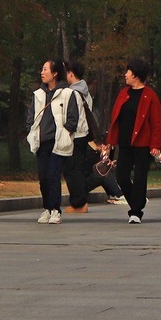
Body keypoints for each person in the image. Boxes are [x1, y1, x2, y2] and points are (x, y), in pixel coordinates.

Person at [104, 58, 161, 224]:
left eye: (128, 72)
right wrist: (110, 142)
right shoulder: (124, 93)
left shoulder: (150, 96)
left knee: (139, 178)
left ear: (136, 75)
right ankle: (138, 201)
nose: (125, 75)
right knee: (121, 176)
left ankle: (135, 212)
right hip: (125, 143)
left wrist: (155, 145)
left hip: (143, 144)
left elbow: (156, 123)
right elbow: (115, 119)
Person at [26, 58, 80, 224]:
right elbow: (31, 117)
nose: (42, 73)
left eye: (45, 69)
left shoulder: (68, 94)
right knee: (43, 178)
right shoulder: (39, 94)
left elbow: (73, 118)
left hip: (57, 142)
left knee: (53, 175)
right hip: (41, 142)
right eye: (42, 69)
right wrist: (31, 131)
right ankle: (47, 208)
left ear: (55, 73)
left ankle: (56, 209)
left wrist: (65, 133)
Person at [63, 60, 94, 214]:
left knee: (71, 170)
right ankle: (80, 202)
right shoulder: (85, 92)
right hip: (84, 135)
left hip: (75, 135)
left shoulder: (72, 93)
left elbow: (72, 116)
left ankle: (79, 203)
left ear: (71, 74)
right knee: (79, 169)